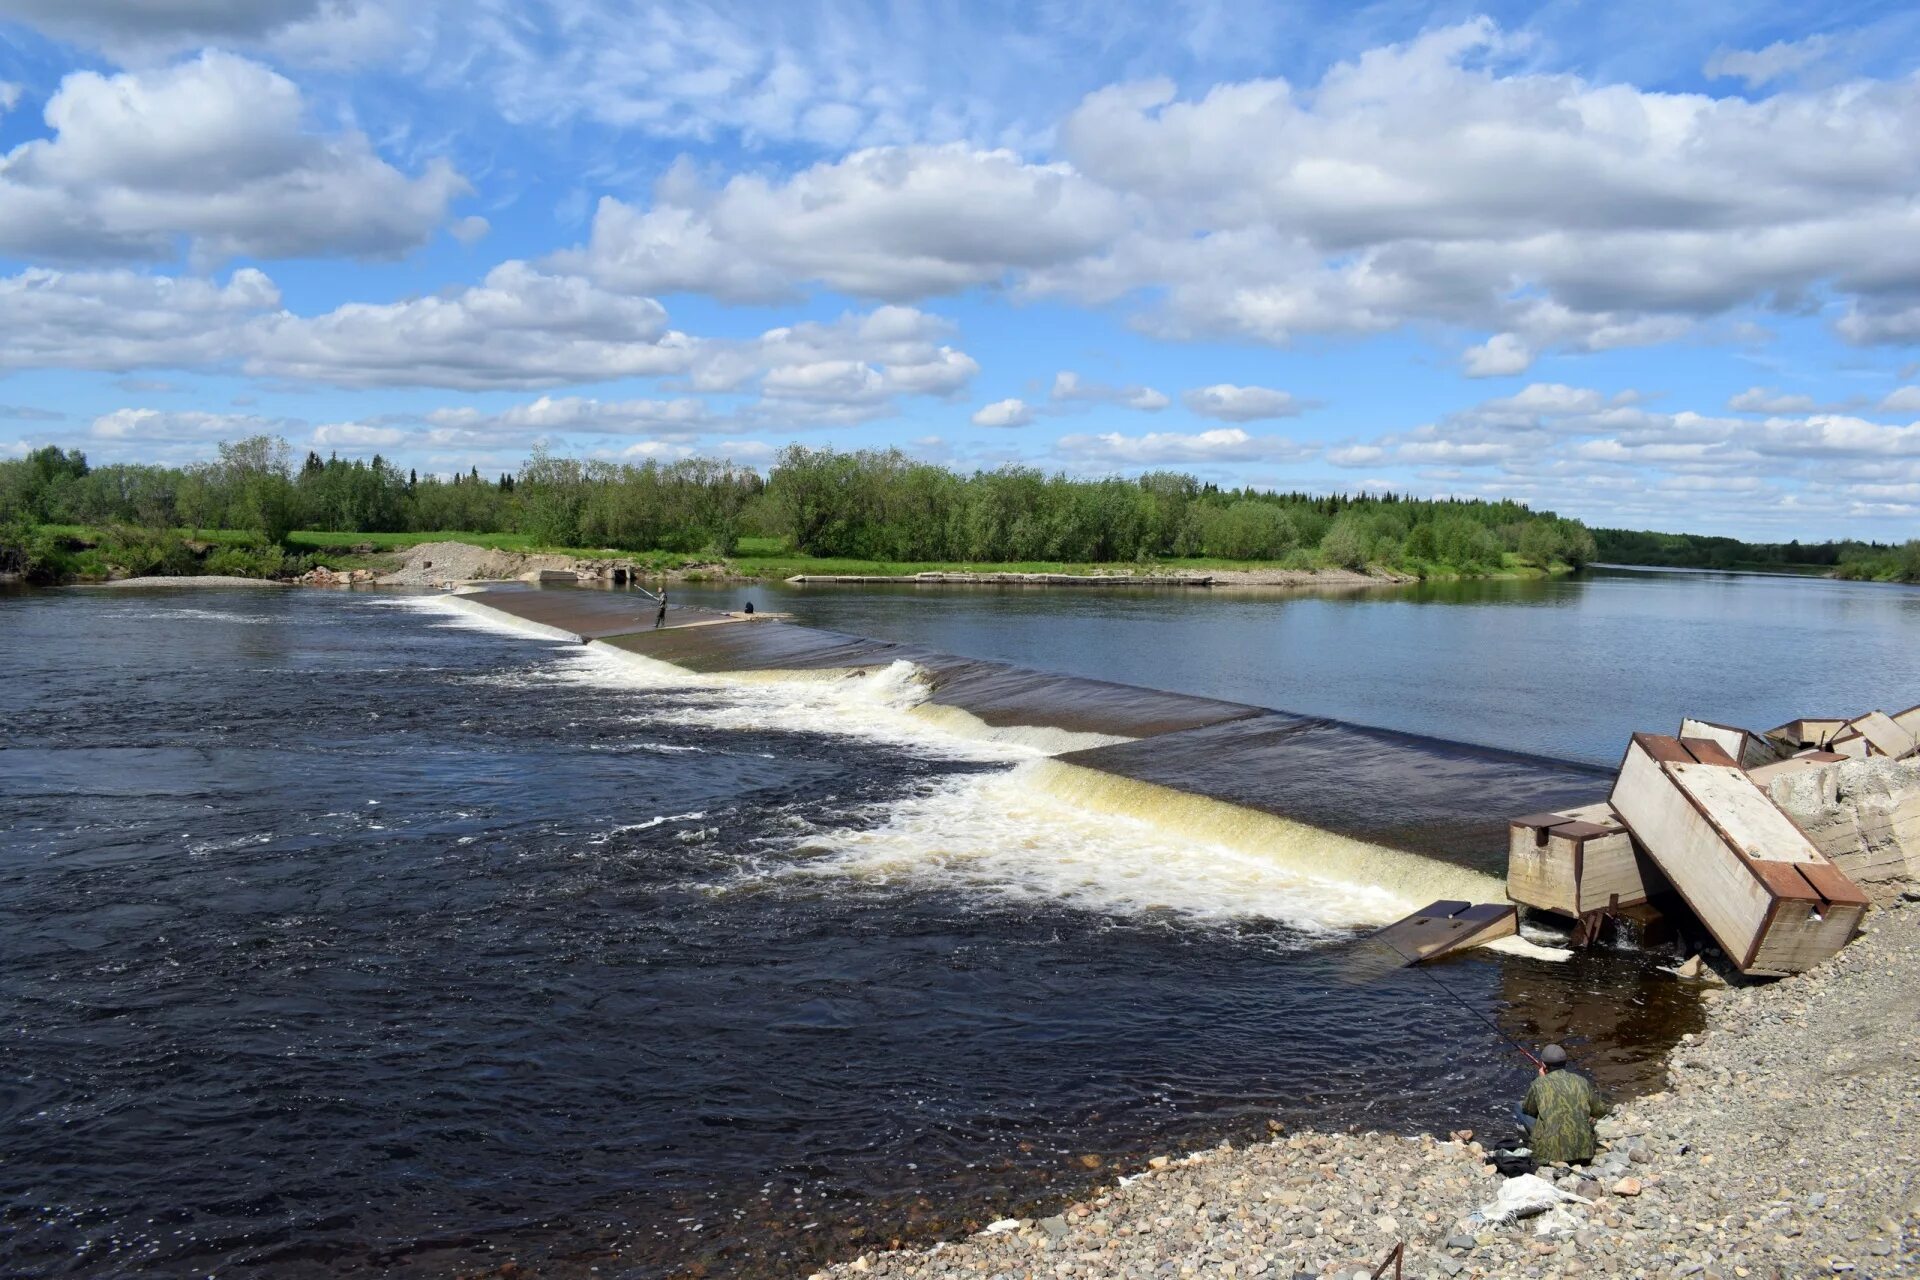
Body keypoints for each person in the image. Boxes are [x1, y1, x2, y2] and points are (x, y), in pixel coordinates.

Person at [1517, 1044, 1608, 1164]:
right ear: (1565, 1063)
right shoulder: (1581, 1081)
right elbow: (1600, 1111)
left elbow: (1529, 1110)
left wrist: (1542, 1080)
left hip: (1551, 1156)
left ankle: (1531, 1142)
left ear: (1543, 1066)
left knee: (1518, 1107)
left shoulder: (1539, 1084)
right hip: (1585, 1152)